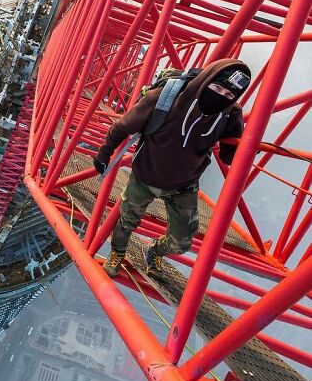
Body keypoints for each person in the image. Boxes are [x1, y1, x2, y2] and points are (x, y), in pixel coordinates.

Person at [94, 58, 251, 278]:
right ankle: (117, 253)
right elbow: (122, 126)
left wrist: (246, 148)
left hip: (183, 186)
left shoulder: (228, 114)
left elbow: (228, 155)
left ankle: (154, 249)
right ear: (205, 81)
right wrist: (104, 153)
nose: (220, 97)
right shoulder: (166, 98)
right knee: (126, 222)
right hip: (145, 177)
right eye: (216, 88)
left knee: (182, 242)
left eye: (229, 96)